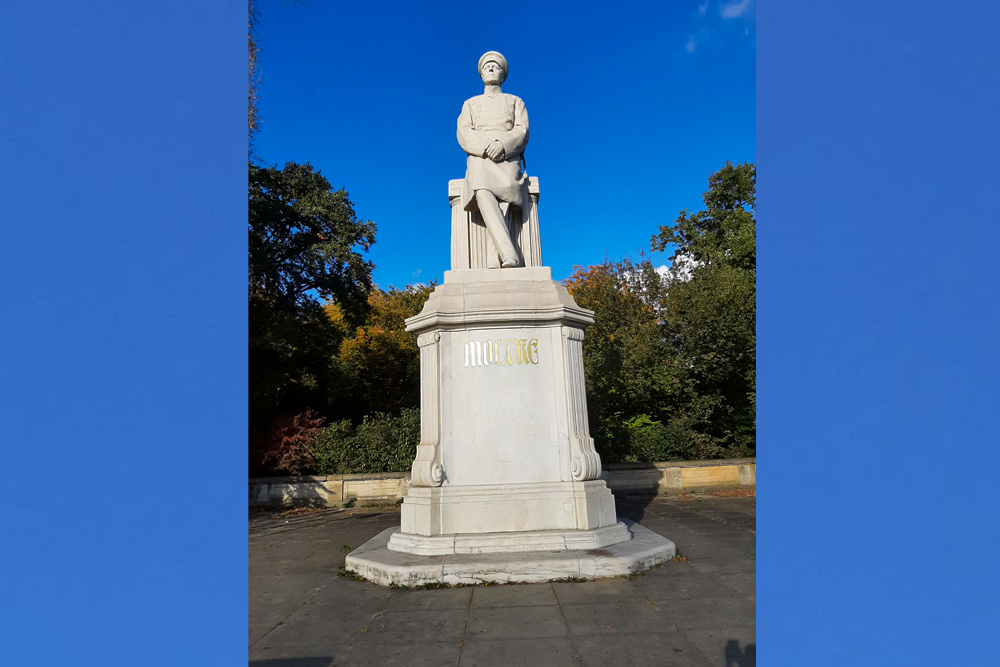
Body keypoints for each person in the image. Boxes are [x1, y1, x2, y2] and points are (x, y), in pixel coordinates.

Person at [457, 51, 530, 268]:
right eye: (486, 66)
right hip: (481, 158)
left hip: (508, 160)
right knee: (481, 190)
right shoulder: (470, 103)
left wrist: (503, 145)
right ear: (480, 74)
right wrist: (486, 148)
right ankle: (509, 254)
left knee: (506, 193)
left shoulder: (515, 101)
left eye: (495, 66)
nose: (490, 69)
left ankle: (495, 258)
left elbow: (522, 130)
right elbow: (464, 131)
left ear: (503, 73)